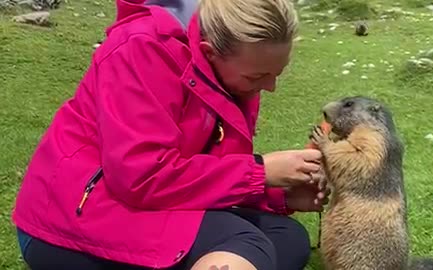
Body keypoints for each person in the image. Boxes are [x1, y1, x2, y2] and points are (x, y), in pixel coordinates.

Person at [11, 0, 330, 269]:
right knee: (242, 240)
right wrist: (260, 172)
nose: (270, 86)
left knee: (287, 239)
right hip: (69, 217)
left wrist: (279, 194)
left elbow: (206, 173)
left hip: (141, 206)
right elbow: (140, 178)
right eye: (259, 75)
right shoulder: (141, 47)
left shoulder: (234, 74)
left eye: (277, 74)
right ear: (209, 51)